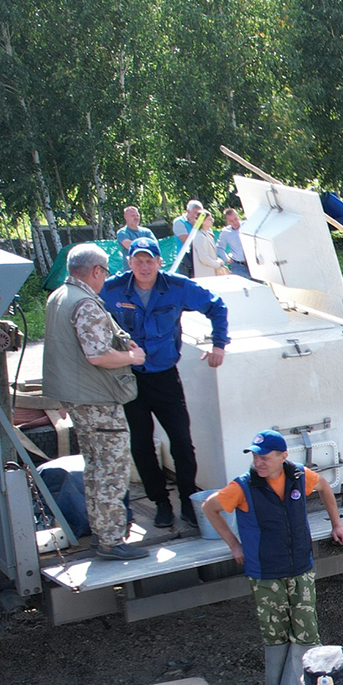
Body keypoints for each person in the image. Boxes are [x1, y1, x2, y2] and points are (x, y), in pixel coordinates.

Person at [204, 429, 343, 685]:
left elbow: (325, 487)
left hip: (300, 568)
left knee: (307, 632)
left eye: (265, 457)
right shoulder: (243, 486)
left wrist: (337, 524)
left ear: (283, 456)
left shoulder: (299, 476)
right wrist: (234, 545)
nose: (259, 462)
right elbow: (210, 508)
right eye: (255, 456)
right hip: (266, 575)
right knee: (276, 636)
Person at [101, 237, 229, 530]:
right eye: (138, 261)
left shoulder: (176, 286)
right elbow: (87, 311)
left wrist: (218, 344)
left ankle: (187, 500)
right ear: (129, 263)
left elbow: (216, 306)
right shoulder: (112, 289)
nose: (144, 266)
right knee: (141, 444)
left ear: (159, 262)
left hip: (165, 377)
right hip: (127, 377)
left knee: (182, 442)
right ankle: (160, 503)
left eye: (150, 261)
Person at [43, 244, 149, 561]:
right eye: (104, 271)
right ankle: (111, 540)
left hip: (76, 398)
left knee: (94, 468)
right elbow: (98, 355)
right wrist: (132, 356)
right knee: (111, 470)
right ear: (96, 271)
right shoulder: (85, 304)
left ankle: (101, 534)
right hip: (97, 399)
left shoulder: (59, 296)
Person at [215, 207, 251, 280]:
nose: (235, 223)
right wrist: (226, 258)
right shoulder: (226, 232)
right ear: (227, 222)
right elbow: (219, 247)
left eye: (236, 219)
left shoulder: (247, 225)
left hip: (252, 263)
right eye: (231, 221)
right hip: (238, 266)